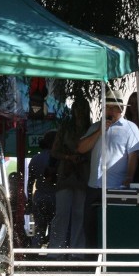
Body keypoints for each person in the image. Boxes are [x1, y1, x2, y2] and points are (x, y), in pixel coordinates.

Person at [76, 89, 139, 248]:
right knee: (90, 226)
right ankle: (91, 264)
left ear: (121, 109)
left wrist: (129, 176)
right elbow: (81, 148)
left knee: (112, 228)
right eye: (107, 107)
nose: (109, 110)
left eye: (113, 107)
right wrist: (101, 130)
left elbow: (133, 155)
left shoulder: (130, 128)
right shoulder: (96, 127)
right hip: (94, 186)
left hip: (116, 188)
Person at [48, 97, 92, 254]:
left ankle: (77, 252)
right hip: (66, 174)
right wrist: (69, 157)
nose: (79, 112)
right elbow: (55, 151)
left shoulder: (91, 128)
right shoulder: (66, 127)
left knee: (80, 214)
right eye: (77, 108)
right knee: (62, 213)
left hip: (83, 174)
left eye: (82, 108)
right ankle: (55, 251)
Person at [26, 131, 57, 247]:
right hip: (55, 196)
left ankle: (35, 248)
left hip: (39, 196)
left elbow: (30, 182)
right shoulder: (57, 159)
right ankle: (52, 251)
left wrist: (29, 199)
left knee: (39, 227)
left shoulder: (35, 158)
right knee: (54, 226)